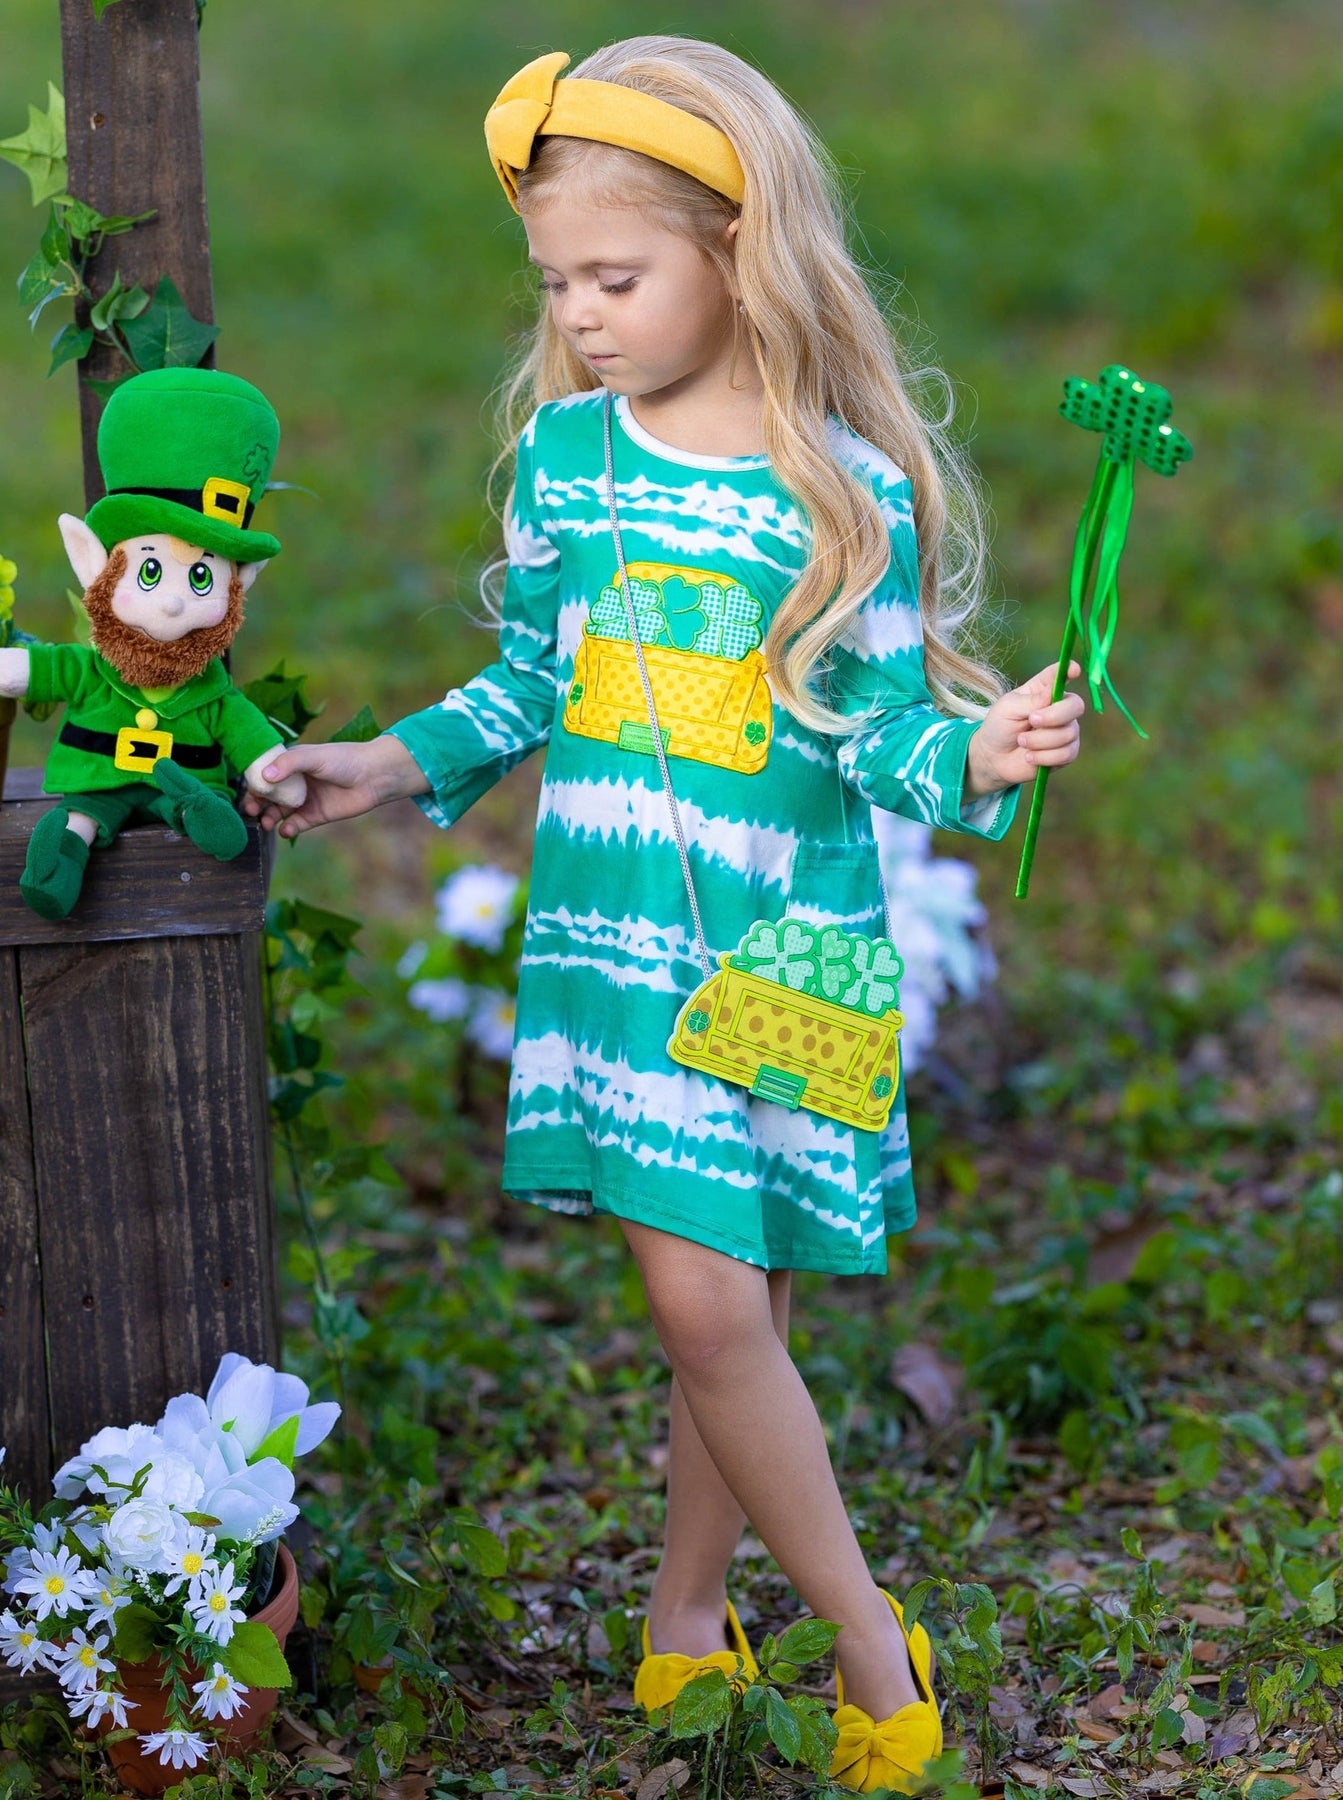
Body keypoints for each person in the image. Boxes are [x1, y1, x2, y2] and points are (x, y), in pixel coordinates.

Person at [246, 37, 1084, 1792]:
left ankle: (693, 1616)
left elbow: (884, 735)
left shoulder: (839, 486)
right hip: (618, 948)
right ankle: (869, 1637)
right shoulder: (568, 461)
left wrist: (983, 752)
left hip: (792, 948)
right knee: (708, 1314)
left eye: (616, 278)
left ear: (737, 247)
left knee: (738, 1309)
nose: (582, 314)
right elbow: (526, 684)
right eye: (557, 280)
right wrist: (384, 766)